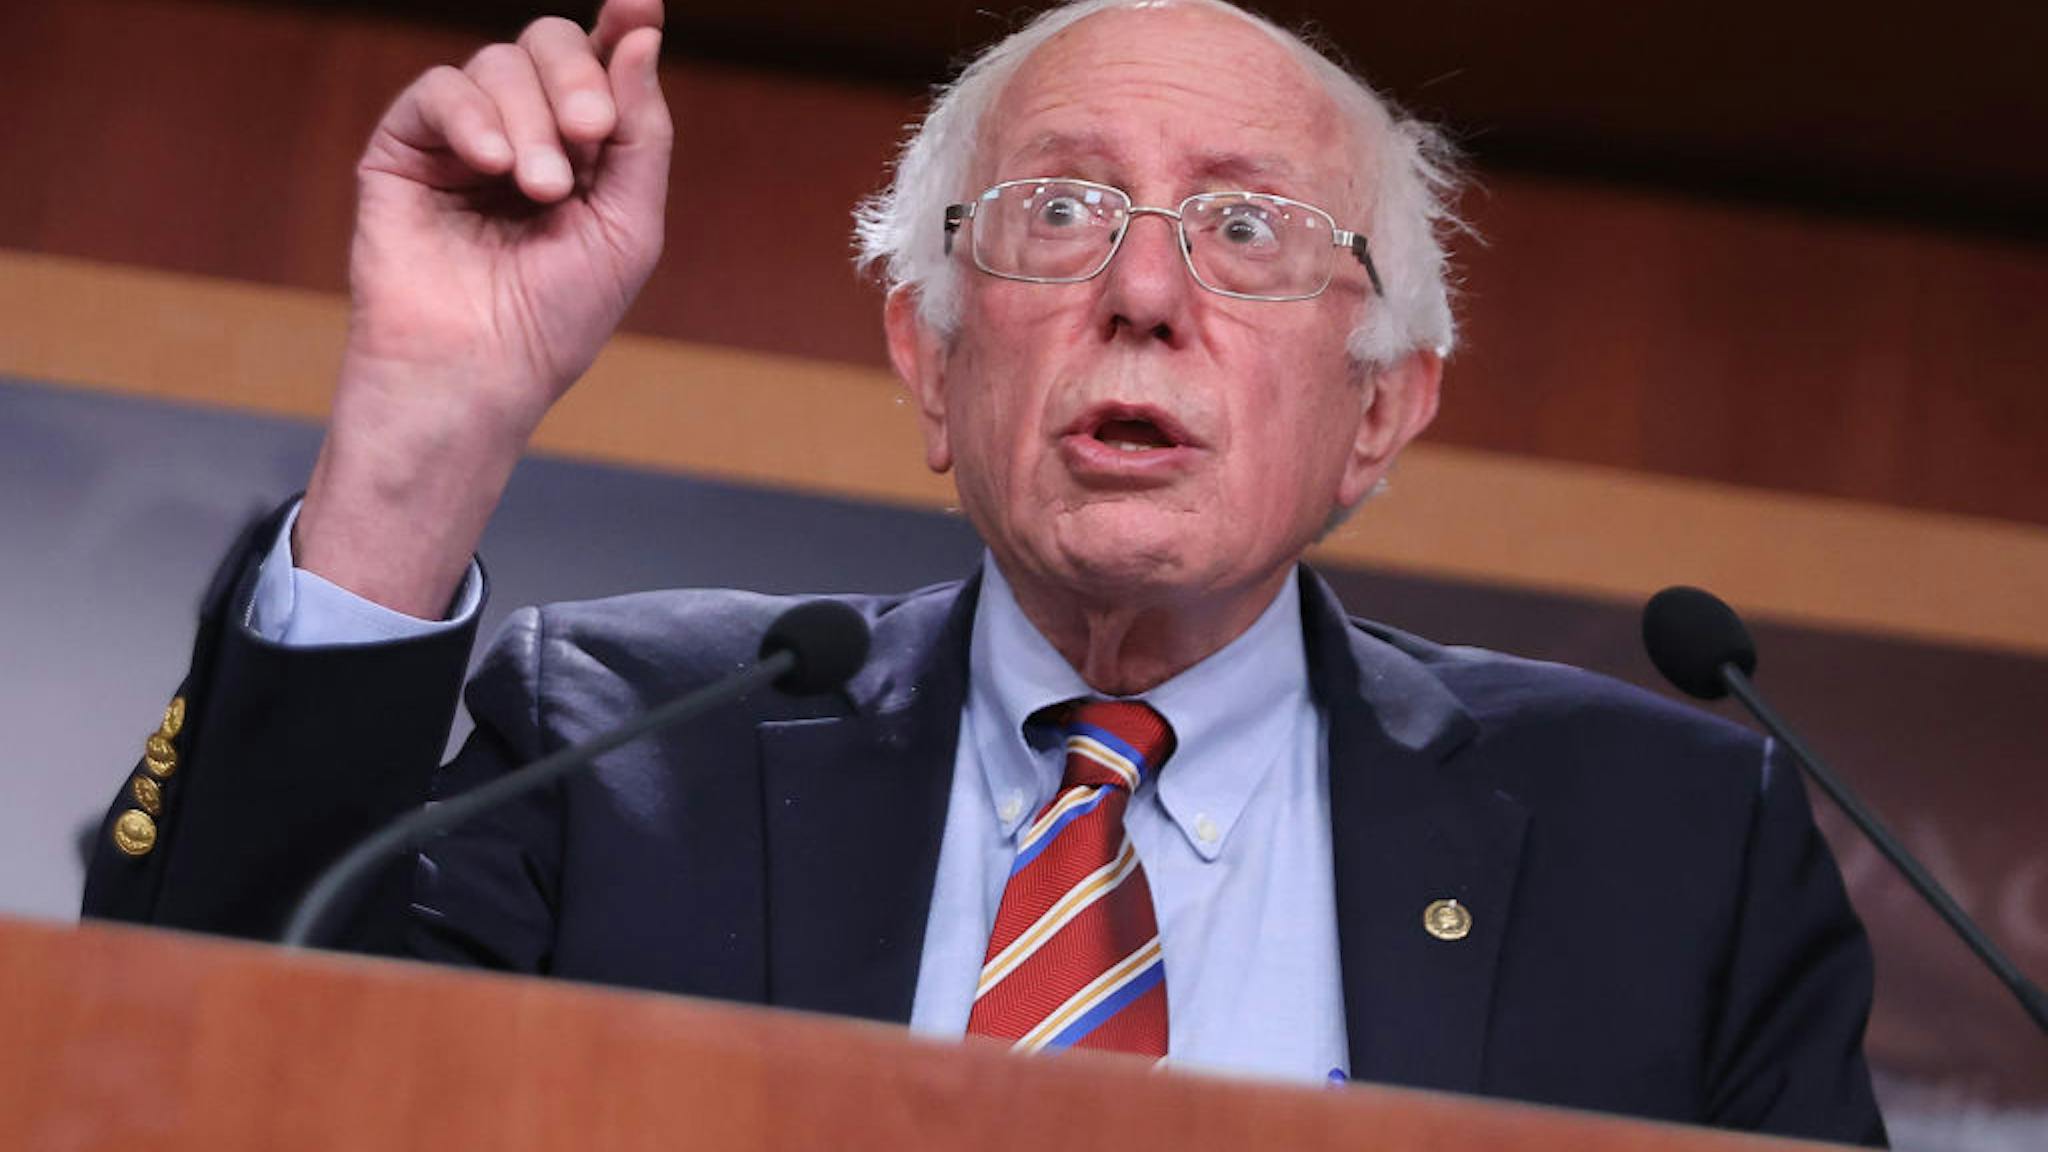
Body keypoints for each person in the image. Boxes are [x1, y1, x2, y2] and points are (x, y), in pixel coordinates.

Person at [81, 0, 1886, 1143]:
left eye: (1249, 229)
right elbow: (202, 1077)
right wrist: (429, 422)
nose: (1147, 290)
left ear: (1381, 413)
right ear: (930, 363)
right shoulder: (619, 749)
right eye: (1062, 211)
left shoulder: (1670, 841)